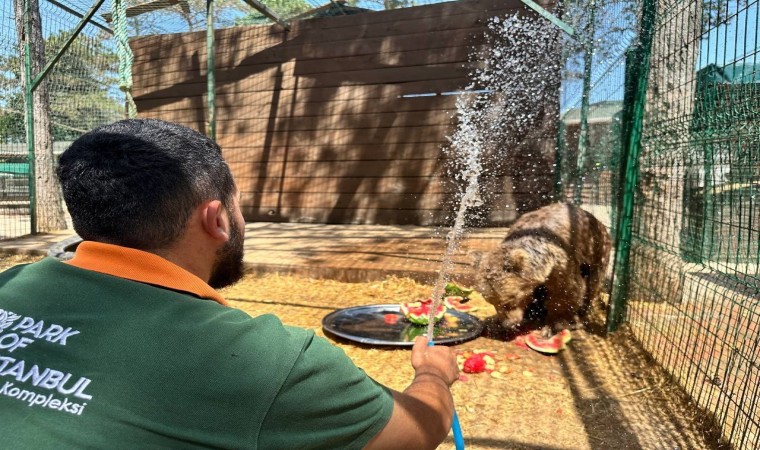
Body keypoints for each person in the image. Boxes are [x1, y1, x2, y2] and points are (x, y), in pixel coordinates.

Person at [0, 119, 459, 449]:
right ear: (217, 219)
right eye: (238, 207)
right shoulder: (270, 363)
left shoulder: (12, 283)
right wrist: (433, 373)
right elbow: (417, 431)